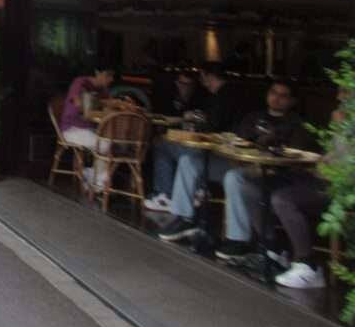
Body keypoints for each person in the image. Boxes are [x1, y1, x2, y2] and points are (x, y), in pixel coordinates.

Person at [158, 78, 314, 245]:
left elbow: (294, 155)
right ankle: (184, 217)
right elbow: (237, 139)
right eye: (273, 92)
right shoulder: (253, 117)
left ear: (292, 101)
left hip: (266, 171)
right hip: (236, 162)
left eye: (283, 95)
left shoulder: (296, 124)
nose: (276, 98)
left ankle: (238, 239)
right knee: (189, 160)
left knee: (234, 177)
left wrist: (272, 142)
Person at [215, 97, 340, 288]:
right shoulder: (341, 122)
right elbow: (328, 156)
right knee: (249, 187)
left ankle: (309, 265)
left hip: (336, 187)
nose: (339, 97)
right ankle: (273, 250)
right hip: (314, 176)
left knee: (282, 199)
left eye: (346, 93)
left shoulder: (346, 125)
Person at [145, 64, 226, 212]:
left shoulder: (211, 97)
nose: (186, 87)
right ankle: (193, 191)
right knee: (167, 145)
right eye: (182, 83)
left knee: (161, 144)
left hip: (215, 153)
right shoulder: (215, 96)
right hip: (210, 148)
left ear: (208, 77)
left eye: (190, 84)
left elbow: (210, 126)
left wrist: (193, 121)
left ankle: (166, 194)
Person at [59, 63, 116, 188]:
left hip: (90, 129)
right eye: (108, 76)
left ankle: (93, 178)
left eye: (112, 77)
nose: (110, 79)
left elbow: (109, 105)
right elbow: (79, 104)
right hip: (72, 129)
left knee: (112, 144)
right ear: (97, 73)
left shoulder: (103, 90)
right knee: (105, 145)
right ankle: (96, 181)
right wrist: (95, 105)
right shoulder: (80, 82)